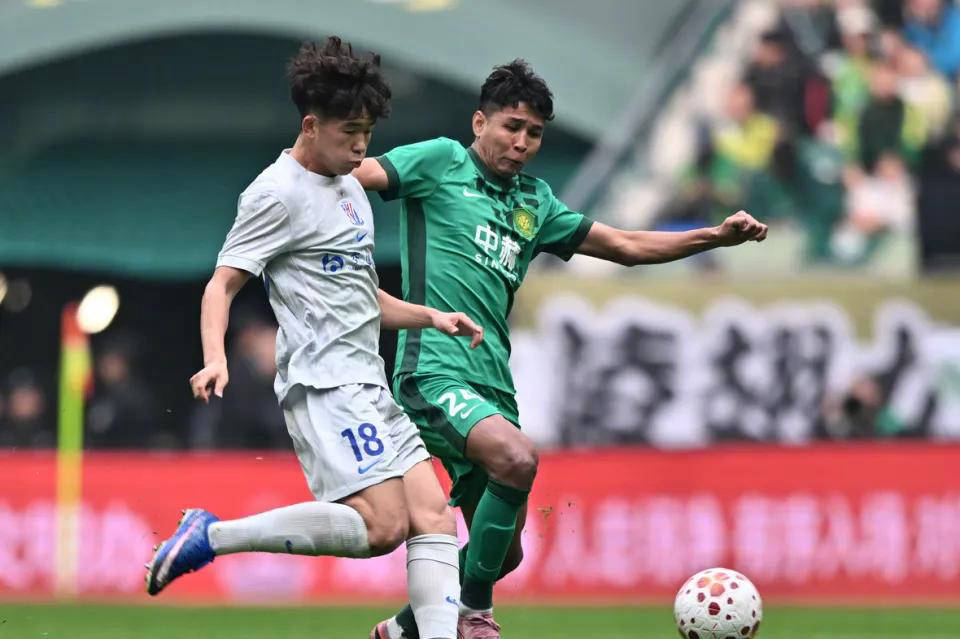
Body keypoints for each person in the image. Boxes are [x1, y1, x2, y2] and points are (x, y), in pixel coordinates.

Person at [353, 59, 768, 639]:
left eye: (535, 133)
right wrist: (301, 188)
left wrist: (714, 237)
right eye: (512, 127)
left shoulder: (535, 202)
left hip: (493, 386)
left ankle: (402, 630)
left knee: (505, 555)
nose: (522, 143)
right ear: (480, 122)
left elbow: (625, 245)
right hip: (432, 371)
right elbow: (354, 173)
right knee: (517, 459)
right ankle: (474, 614)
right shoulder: (441, 162)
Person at [144, 37, 485, 639]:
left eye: (368, 134)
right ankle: (213, 535)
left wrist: (430, 317)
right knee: (383, 526)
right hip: (324, 385)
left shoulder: (351, 188)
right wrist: (215, 357)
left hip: (368, 381)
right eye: (350, 132)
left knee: (433, 514)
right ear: (310, 125)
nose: (361, 147)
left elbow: (361, 297)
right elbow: (221, 285)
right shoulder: (274, 194)